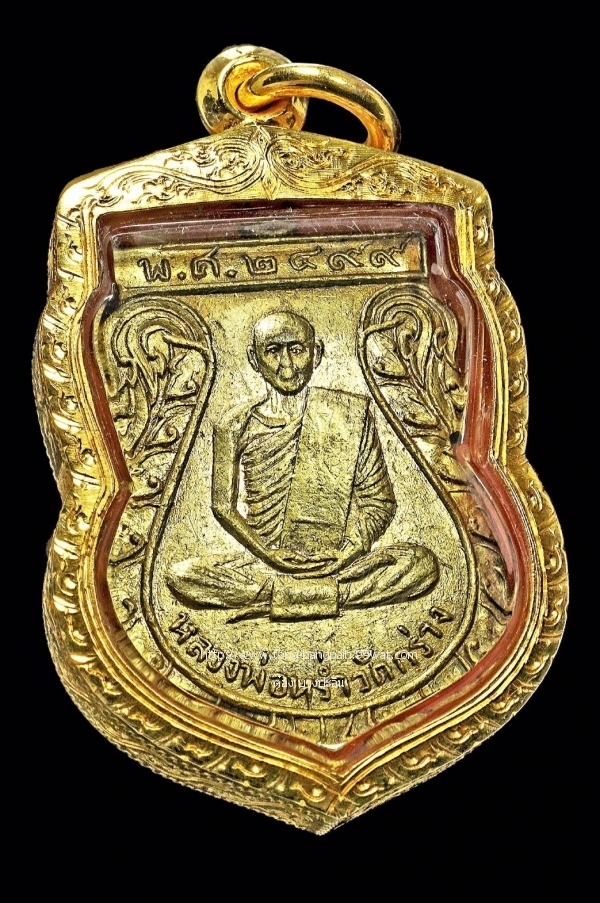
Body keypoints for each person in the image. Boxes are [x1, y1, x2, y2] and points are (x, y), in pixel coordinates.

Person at [168, 311, 438, 620]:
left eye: (297, 350)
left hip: (339, 562)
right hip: (264, 562)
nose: (287, 365)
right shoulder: (235, 424)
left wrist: (350, 550)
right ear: (254, 359)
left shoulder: (348, 413)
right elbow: (222, 508)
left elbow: (380, 501)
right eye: (273, 351)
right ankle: (332, 596)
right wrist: (268, 554)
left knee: (420, 563)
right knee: (183, 575)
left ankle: (286, 596)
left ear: (316, 353)